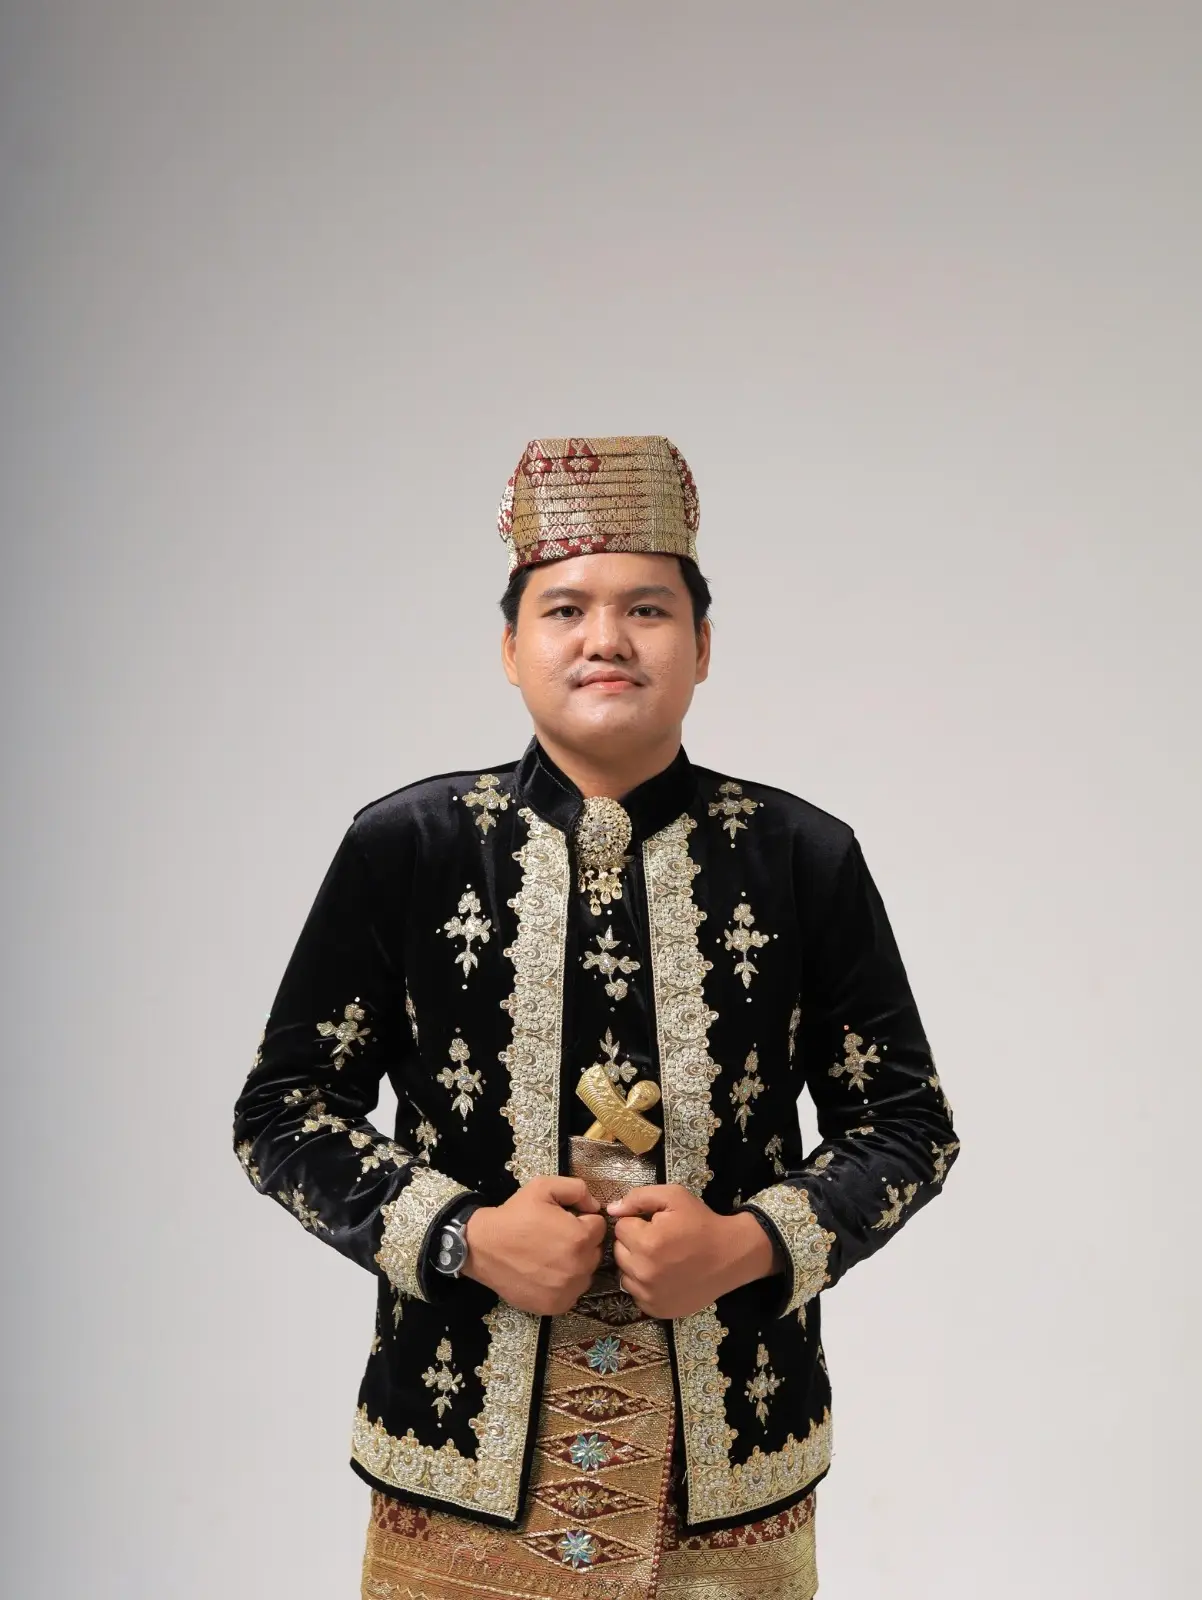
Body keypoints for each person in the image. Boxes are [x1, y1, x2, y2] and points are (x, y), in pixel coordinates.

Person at [232, 435, 960, 1600]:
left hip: (731, 1469)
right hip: (457, 1463)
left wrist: (748, 1245)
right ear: (509, 647)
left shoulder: (800, 856)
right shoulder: (406, 848)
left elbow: (907, 1125)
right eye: (565, 608)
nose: (605, 638)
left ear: (703, 644)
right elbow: (282, 1113)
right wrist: (463, 1236)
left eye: (647, 609)